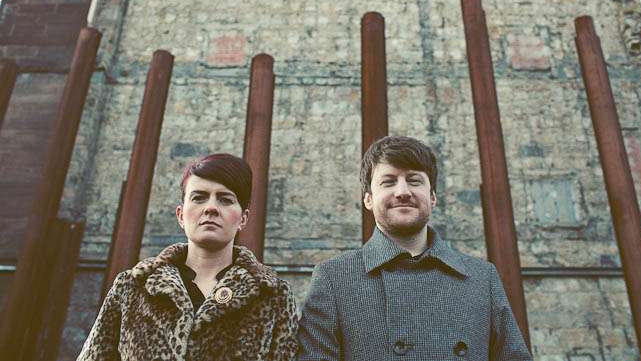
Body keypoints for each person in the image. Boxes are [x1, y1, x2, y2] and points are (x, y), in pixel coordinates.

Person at [298, 136, 532, 361]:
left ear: (432, 197)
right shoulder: (334, 278)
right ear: (368, 199)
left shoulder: (482, 277)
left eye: (414, 181)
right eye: (388, 182)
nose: (403, 192)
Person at [78, 153, 298, 361]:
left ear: (243, 218)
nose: (211, 208)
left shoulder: (273, 296)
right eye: (199, 198)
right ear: (181, 215)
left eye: (225, 200)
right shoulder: (132, 287)